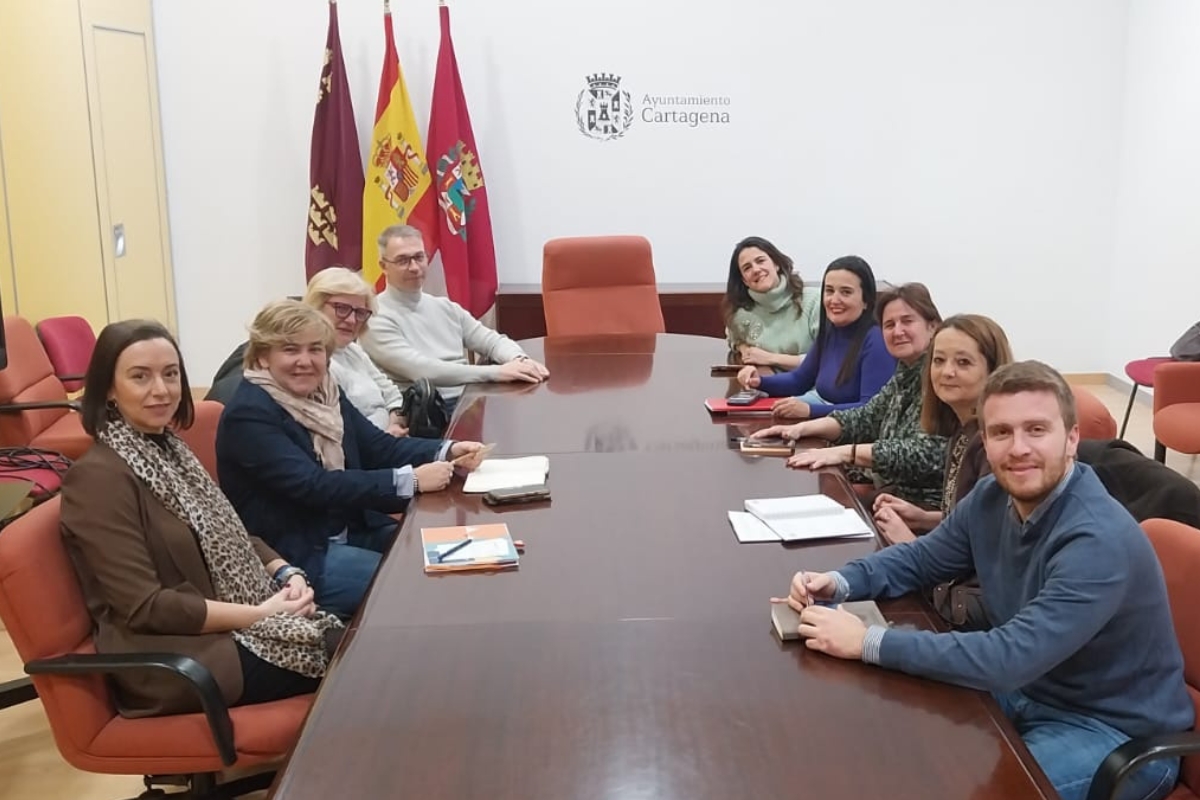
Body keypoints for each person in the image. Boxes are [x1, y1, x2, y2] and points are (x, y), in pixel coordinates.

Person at [772, 361, 1191, 800]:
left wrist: (867, 641)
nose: (1018, 448)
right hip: (1029, 691)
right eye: (1001, 433)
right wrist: (839, 582)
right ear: (985, 442)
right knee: (888, 738)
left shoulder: (1098, 540)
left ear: (1071, 439)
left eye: (1036, 430)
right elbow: (919, 559)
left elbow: (1009, 656)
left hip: (1115, 734)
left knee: (952, 786)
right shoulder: (993, 497)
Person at [61, 320, 342, 717]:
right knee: (364, 665)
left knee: (358, 647)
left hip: (230, 627)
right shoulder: (98, 479)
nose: (161, 390)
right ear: (108, 388)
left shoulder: (170, 450)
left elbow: (231, 533)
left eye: (171, 374)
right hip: (183, 658)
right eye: (140, 377)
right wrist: (262, 613)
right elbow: (146, 607)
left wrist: (286, 573)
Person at [216, 300, 487, 619]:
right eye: (290, 350)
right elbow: (314, 485)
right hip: (301, 553)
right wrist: (411, 480)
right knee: (417, 588)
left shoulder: (326, 393)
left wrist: (447, 450)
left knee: (462, 562)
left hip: (353, 526)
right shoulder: (250, 414)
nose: (305, 361)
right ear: (263, 356)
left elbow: (377, 447)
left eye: (315, 349)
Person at [752, 283, 945, 509]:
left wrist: (845, 453)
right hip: (892, 493)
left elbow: (920, 454)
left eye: (907, 321)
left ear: (932, 327)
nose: (897, 331)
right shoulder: (905, 371)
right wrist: (800, 429)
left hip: (923, 507)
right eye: (889, 324)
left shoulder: (940, 377)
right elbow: (866, 417)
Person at [360, 224, 549, 412]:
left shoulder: (445, 307)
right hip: (427, 412)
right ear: (383, 266)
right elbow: (422, 371)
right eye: (403, 260)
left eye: (419, 257)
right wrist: (496, 372)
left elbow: (492, 341)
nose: (414, 267)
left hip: (468, 400)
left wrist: (520, 360)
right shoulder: (374, 316)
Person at [870, 314, 1014, 545]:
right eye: (938, 360)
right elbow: (970, 521)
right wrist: (925, 518)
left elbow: (986, 547)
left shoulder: (996, 444)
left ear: (993, 371)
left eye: (963, 362)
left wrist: (909, 544)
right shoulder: (963, 429)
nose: (947, 372)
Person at [737, 255, 895, 420]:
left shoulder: (877, 341)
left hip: (851, 437)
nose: (834, 300)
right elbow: (799, 380)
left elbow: (872, 411)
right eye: (829, 291)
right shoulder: (830, 331)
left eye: (846, 292)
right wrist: (759, 382)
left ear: (866, 301)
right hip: (826, 425)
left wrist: (810, 411)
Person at [303, 266, 408, 436]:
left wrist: (394, 425)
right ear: (316, 306)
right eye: (341, 308)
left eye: (360, 312)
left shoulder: (353, 351)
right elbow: (340, 430)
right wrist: (385, 440)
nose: (352, 320)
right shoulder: (311, 361)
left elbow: (393, 395)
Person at [722, 236, 820, 370]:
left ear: (776, 264)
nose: (756, 270)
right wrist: (744, 349)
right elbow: (733, 337)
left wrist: (770, 358)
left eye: (760, 261)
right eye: (747, 268)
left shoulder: (814, 300)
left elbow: (827, 360)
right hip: (768, 386)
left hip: (812, 387)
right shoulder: (741, 313)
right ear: (744, 280)